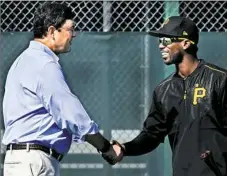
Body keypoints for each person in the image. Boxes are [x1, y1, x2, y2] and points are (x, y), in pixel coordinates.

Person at [2, 2, 121, 176]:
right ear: (51, 31)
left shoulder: (23, 60)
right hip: (35, 163)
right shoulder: (44, 64)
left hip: (19, 161)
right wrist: (105, 147)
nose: (74, 35)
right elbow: (72, 115)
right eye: (71, 29)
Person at [102, 16, 227, 176]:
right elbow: (152, 135)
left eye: (167, 41)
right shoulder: (164, 90)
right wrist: (125, 148)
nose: (161, 46)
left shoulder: (219, 80)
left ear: (186, 43)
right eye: (160, 41)